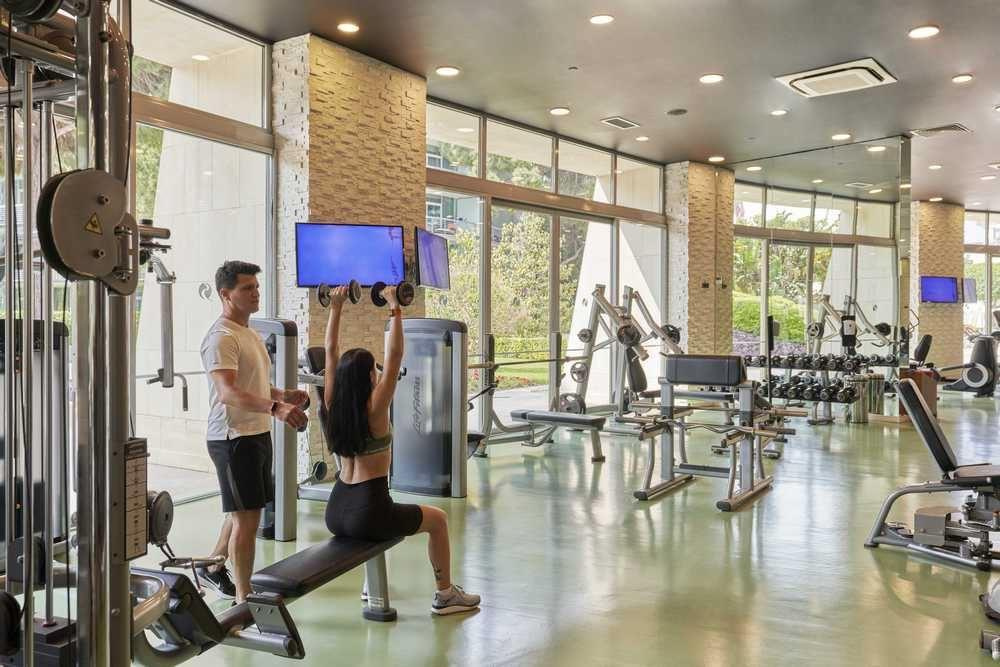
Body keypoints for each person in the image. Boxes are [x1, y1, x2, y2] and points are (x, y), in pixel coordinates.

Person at [322, 284, 480, 615]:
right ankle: (446, 594)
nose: (378, 372)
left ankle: (371, 586)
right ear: (369, 377)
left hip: (336, 509)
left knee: (383, 522)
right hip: (370, 509)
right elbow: (395, 357)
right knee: (438, 520)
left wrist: (335, 308)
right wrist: (394, 306)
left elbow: (330, 351)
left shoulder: (332, 403)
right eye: (374, 369)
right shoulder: (376, 409)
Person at [198, 260, 310, 602]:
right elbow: (228, 393)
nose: (256, 293)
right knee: (246, 521)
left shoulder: (249, 333)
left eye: (257, 287)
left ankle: (212, 566)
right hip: (232, 439)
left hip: (256, 433)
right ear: (225, 294)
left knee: (246, 511)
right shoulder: (221, 337)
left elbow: (253, 385)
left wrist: (283, 395)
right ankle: (243, 601)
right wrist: (276, 408)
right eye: (247, 288)